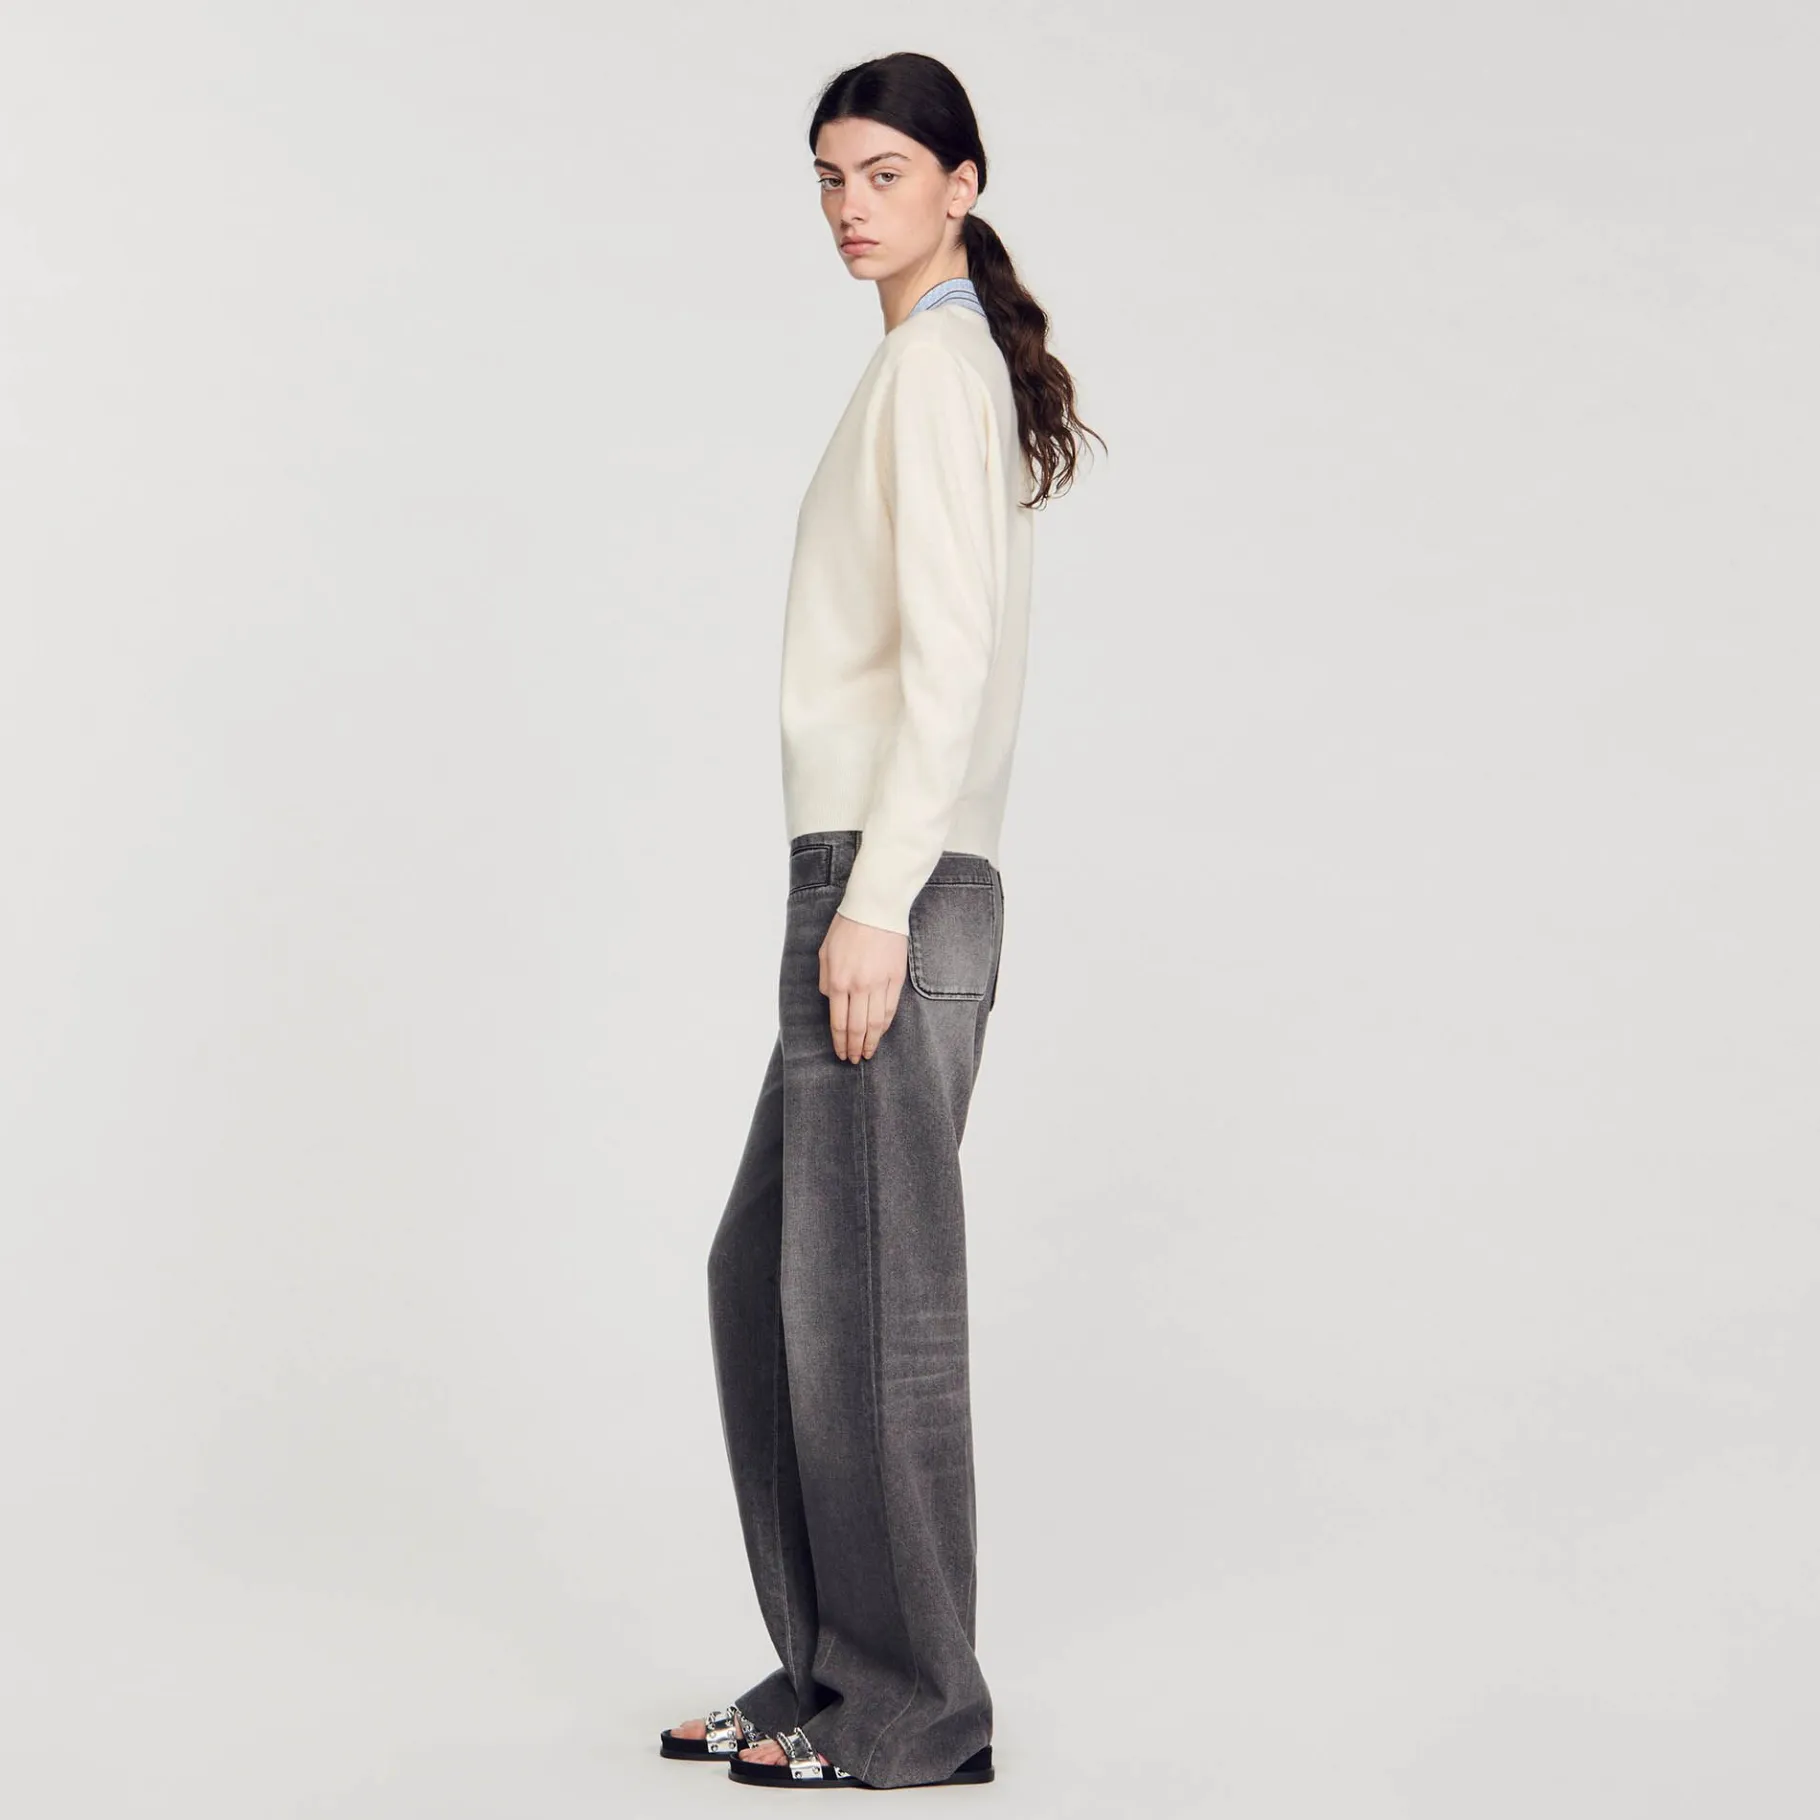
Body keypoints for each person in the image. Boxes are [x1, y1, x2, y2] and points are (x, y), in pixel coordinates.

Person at [660, 50, 1102, 1792]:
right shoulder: (927, 362)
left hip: (886, 881)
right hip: (874, 875)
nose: (851, 207)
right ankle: (830, 1673)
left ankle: (916, 1708)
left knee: (866, 1307)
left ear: (962, 185)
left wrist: (879, 898)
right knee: (772, 1275)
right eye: (831, 178)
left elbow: (954, 664)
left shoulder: (935, 368)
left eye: (886, 175)